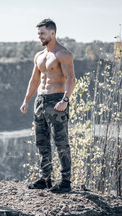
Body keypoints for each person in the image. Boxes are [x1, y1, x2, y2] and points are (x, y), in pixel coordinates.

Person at [20, 19, 76, 193]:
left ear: (52, 33)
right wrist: (26, 100)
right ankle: (46, 179)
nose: (40, 37)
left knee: (61, 142)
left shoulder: (63, 54)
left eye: (42, 33)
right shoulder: (39, 56)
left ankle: (65, 181)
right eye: (38, 34)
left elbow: (71, 79)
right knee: (42, 142)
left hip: (57, 100)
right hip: (40, 101)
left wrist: (65, 100)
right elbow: (35, 80)